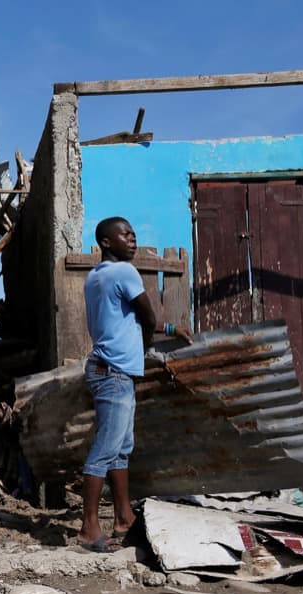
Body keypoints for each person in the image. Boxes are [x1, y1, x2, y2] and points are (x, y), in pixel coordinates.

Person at [77, 216, 192, 553]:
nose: (132, 239)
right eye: (124, 234)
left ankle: (124, 518)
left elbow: (122, 321)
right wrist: (146, 344)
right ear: (106, 242)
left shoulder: (96, 277)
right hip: (114, 372)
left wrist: (169, 331)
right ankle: (88, 530)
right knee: (104, 450)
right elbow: (146, 317)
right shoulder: (125, 272)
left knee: (120, 448)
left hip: (106, 370)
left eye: (133, 234)